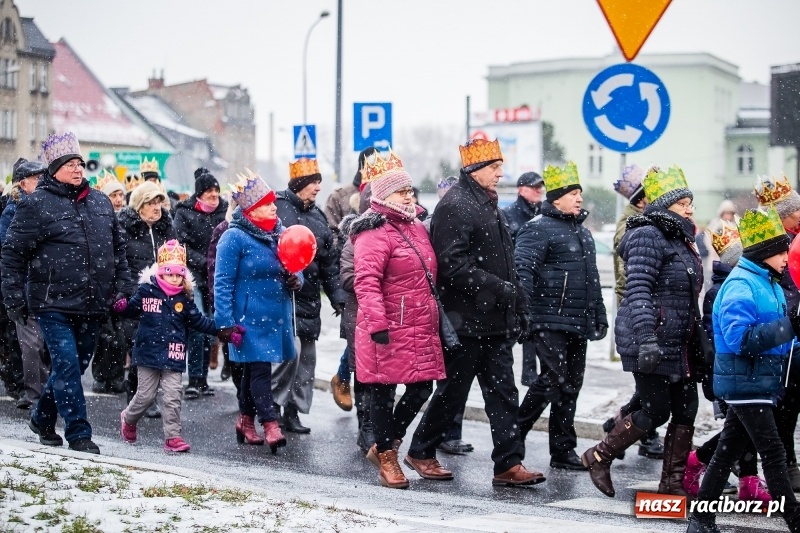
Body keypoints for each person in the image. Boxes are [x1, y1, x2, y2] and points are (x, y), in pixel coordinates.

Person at [405, 138, 545, 487]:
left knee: (503, 393)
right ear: (474, 169)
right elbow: (452, 265)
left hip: (494, 320)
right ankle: (420, 451)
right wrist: (499, 288)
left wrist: (518, 303)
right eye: (495, 167)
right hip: (466, 320)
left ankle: (508, 464)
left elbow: (506, 260)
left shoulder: (487, 202)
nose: (501, 173)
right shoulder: (456, 204)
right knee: (453, 391)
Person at [1, 132, 134, 454]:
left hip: (92, 302)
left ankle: (43, 418)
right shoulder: (36, 205)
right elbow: (13, 255)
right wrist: (14, 299)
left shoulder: (100, 202)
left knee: (73, 365)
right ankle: (78, 432)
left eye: (79, 163)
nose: (77, 169)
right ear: (54, 169)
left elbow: (119, 251)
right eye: (70, 164)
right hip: (51, 303)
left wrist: (125, 288)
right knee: (67, 364)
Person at [582, 165, 702, 497]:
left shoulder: (681, 238)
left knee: (687, 408)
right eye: (682, 204)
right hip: (649, 337)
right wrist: (648, 337)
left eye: (690, 202)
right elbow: (638, 290)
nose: (690, 208)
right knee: (655, 409)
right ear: (664, 206)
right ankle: (599, 456)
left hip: (679, 341)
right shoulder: (649, 234)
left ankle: (672, 485)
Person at [686, 206, 800, 533]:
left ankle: (701, 519)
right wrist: (790, 327)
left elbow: (777, 337)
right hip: (745, 380)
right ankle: (794, 519)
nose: (786, 256)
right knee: (774, 453)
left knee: (725, 453)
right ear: (765, 253)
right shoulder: (741, 285)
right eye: (781, 251)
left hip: (758, 381)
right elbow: (740, 340)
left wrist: (794, 337)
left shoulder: (770, 283)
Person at [350, 150, 446, 489]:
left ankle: (384, 444)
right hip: (387, 327)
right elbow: (366, 281)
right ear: (383, 195)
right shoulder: (373, 231)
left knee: (422, 387)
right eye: (402, 191)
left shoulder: (416, 226)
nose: (409, 195)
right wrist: (377, 324)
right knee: (381, 392)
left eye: (410, 190)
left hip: (419, 324)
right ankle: (388, 459)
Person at [515, 161, 607, 470]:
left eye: (580, 193)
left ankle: (562, 450)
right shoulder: (537, 228)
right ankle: (514, 435)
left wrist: (599, 313)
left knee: (571, 384)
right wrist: (523, 311)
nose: (579, 199)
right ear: (556, 198)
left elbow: (592, 279)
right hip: (547, 318)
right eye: (573, 193)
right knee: (552, 379)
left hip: (577, 321)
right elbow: (523, 271)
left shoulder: (584, 234)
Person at [683, 219, 771, 503]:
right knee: (743, 427)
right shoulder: (723, 291)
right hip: (729, 372)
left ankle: (746, 479)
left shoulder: (745, 285)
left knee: (741, 428)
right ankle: (700, 461)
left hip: (746, 370)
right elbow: (720, 341)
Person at [214, 171, 301, 453]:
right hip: (247, 318)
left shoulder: (280, 232)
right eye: (267, 203)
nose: (274, 207)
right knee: (261, 369)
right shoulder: (233, 237)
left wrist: (295, 278)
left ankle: (245, 420)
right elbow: (222, 282)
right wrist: (224, 322)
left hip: (275, 315)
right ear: (251, 209)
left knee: (253, 370)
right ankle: (270, 423)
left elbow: (298, 266)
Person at [117, 240, 227, 453]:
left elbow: (199, 321)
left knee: (173, 395)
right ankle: (129, 418)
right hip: (147, 352)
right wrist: (121, 307)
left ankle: (173, 437)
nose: (175, 278)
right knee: (146, 396)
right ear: (160, 272)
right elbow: (131, 310)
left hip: (173, 354)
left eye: (179, 275)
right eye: (170, 274)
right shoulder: (147, 291)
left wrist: (222, 331)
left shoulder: (184, 299)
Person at [273, 158, 346, 433]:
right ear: (300, 183)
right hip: (283, 295)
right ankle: (274, 409)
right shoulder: (278, 207)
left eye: (319, 182)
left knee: (306, 361)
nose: (318, 188)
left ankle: (294, 411)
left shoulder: (318, 218)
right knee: (287, 355)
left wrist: (337, 294)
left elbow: (328, 262)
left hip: (310, 297)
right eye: (314, 182)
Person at [603, 164, 664, 461]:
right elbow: (627, 264)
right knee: (651, 384)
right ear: (642, 200)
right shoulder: (631, 223)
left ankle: (619, 424)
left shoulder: (646, 220)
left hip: (652, 309)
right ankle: (637, 435)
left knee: (652, 384)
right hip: (638, 308)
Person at [755, 175, 800, 491]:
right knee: (780, 404)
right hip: (778, 333)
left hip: (791, 331)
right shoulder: (771, 243)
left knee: (790, 400)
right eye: (797, 212)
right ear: (784, 214)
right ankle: (783, 466)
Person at [118, 181, 177, 417]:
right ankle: (138, 394)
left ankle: (145, 395)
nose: (156, 207)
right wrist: (129, 292)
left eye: (158, 202)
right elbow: (120, 264)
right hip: (135, 297)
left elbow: (175, 261)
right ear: (139, 206)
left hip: (164, 298)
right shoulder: (125, 229)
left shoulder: (166, 228)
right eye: (151, 203)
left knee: (155, 346)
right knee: (138, 346)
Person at [173, 167, 228, 399]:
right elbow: (181, 244)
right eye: (208, 191)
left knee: (213, 328)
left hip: (217, 278)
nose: (214, 195)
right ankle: (194, 379)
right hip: (193, 277)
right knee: (197, 326)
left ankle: (203, 379)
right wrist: (205, 261)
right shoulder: (184, 213)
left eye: (216, 190)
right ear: (199, 194)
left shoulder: (225, 212)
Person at [0, 158, 48, 410]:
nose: (42, 183)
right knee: (29, 343)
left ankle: (41, 388)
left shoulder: (42, 205)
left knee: (42, 342)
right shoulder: (13, 210)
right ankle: (32, 391)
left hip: (43, 284)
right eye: (37, 179)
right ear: (23, 183)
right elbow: (10, 249)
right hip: (25, 285)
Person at [89, 171, 129, 396]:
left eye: (120, 195)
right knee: (104, 336)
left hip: (121, 285)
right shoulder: (98, 220)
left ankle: (116, 377)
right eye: (113, 194)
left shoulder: (127, 221)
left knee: (120, 337)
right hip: (102, 285)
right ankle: (100, 376)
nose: (118, 199)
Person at [207, 202, 241, 388]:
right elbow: (214, 267)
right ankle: (230, 365)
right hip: (229, 294)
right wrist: (215, 297)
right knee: (229, 335)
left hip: (245, 295)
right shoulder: (223, 229)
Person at [503, 171, 544, 243]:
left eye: (540, 187)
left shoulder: (545, 212)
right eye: (535, 187)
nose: (539, 191)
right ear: (521, 190)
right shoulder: (507, 214)